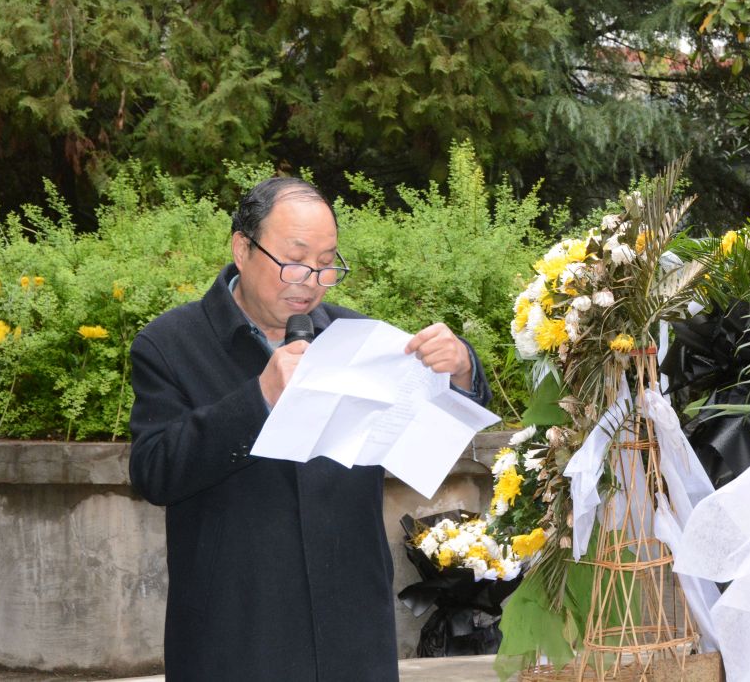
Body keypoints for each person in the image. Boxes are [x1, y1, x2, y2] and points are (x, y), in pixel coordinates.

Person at [129, 176, 490, 682]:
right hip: (236, 633)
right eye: (295, 261)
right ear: (242, 248)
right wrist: (258, 399)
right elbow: (153, 472)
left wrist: (461, 373)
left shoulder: (356, 338)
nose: (312, 281)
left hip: (351, 631)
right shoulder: (170, 344)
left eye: (326, 264)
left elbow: (426, 437)